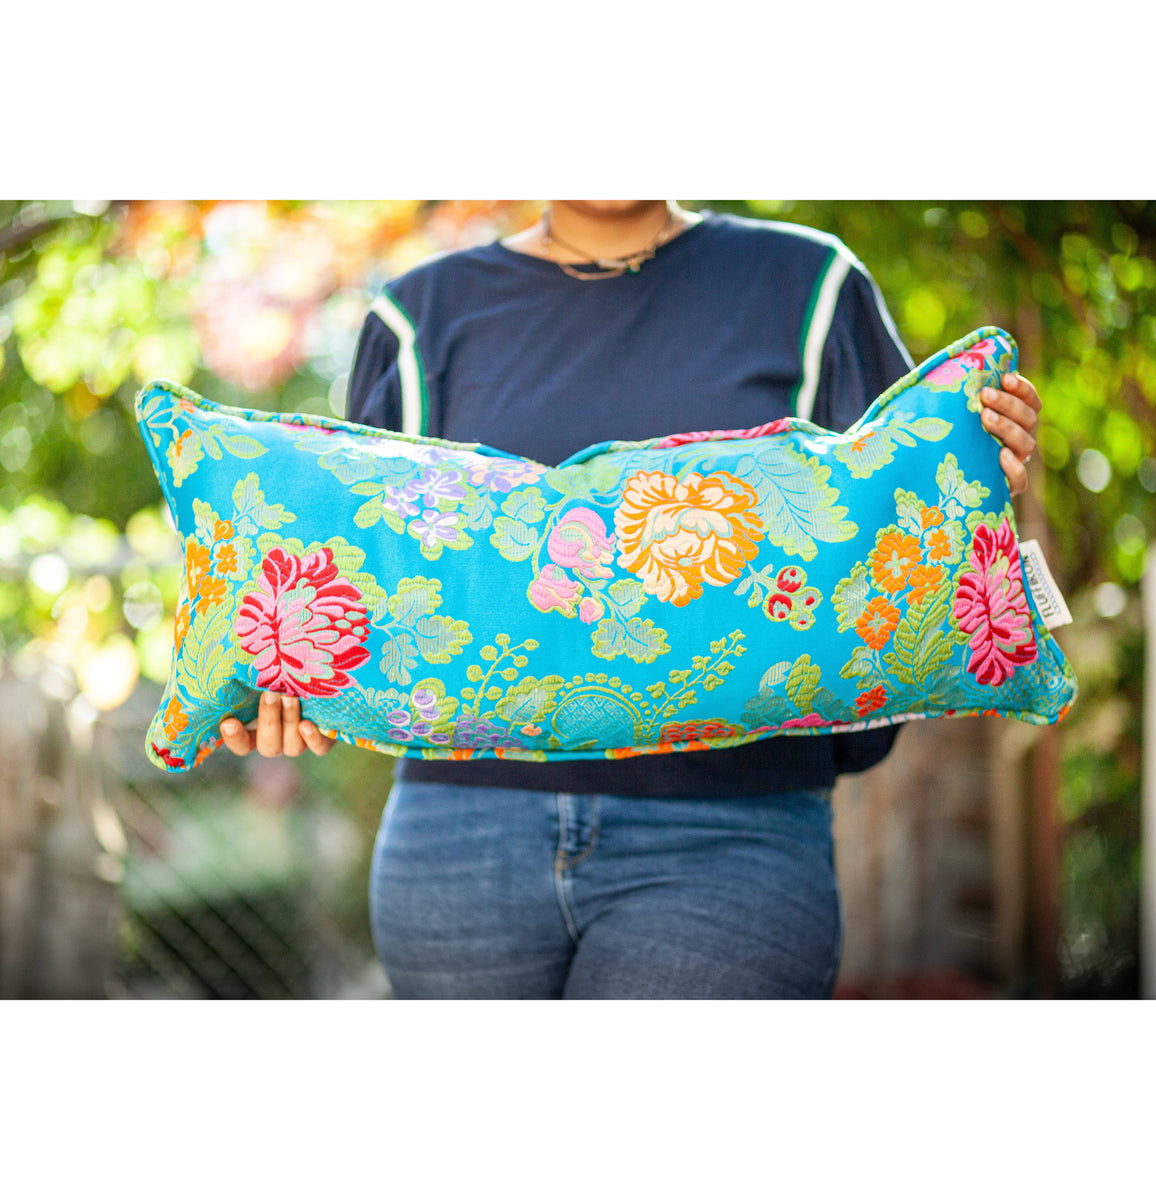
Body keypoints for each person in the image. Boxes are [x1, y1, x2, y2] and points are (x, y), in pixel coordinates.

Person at [219, 200, 1042, 999]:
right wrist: (285, 683)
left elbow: (895, 537)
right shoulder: (416, 316)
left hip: (731, 836)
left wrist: (974, 476)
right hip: (459, 840)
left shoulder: (811, 284)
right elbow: (367, 571)